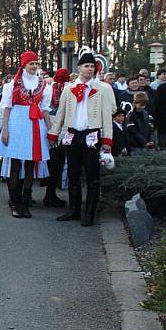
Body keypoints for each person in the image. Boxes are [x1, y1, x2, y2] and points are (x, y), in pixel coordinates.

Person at [49, 50, 116, 226]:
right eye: (86, 66)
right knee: (73, 173)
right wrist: (54, 134)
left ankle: (90, 213)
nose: (89, 69)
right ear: (79, 67)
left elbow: (107, 116)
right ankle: (74, 210)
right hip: (73, 134)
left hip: (92, 135)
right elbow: (61, 113)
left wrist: (107, 140)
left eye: (92, 66)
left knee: (93, 175)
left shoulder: (101, 89)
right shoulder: (69, 88)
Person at [0, 51, 52, 218]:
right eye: (31, 64)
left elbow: (45, 109)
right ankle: (15, 202)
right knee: (15, 163)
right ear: (24, 65)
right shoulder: (12, 85)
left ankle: (25, 203)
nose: (34, 67)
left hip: (35, 124)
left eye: (36, 63)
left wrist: (50, 130)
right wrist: (5, 129)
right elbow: (6, 107)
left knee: (29, 164)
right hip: (17, 122)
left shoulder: (45, 86)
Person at [44, 68, 70, 207]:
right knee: (56, 164)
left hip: (48, 128)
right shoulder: (67, 90)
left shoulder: (49, 88)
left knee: (49, 163)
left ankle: (46, 194)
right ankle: (50, 194)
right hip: (59, 129)